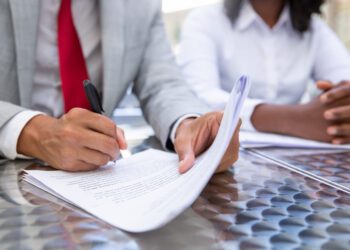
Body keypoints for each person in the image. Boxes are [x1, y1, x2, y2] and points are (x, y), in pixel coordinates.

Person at [0, 0, 241, 174]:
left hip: (95, 182)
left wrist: (189, 125)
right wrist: (34, 132)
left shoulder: (141, 6)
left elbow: (162, 81)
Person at [178, 0, 350, 144]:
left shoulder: (314, 30)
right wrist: (294, 119)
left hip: (298, 160)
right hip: (230, 156)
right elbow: (196, 97)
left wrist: (338, 107)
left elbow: (345, 81)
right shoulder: (206, 20)